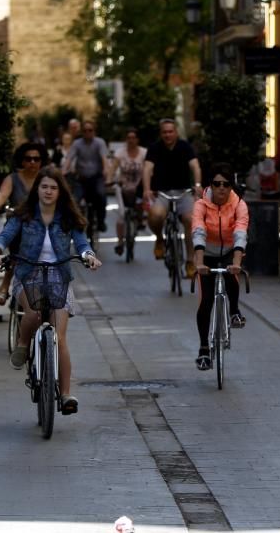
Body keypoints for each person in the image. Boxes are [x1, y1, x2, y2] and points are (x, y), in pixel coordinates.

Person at [0, 166, 101, 415]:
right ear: (36, 189)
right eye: (44, 186)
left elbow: (82, 243)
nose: (49, 191)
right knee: (33, 314)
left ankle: (65, 394)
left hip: (59, 278)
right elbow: (5, 236)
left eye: (53, 187)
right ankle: (22, 343)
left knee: (60, 337)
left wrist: (89, 256)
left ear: (60, 191)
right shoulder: (23, 215)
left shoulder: (68, 217)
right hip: (28, 275)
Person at [191, 163, 248, 370]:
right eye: (217, 184)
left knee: (232, 274)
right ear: (211, 186)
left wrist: (237, 263)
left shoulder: (239, 204)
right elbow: (198, 230)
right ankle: (204, 349)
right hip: (206, 253)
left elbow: (241, 231)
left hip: (229, 252)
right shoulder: (201, 205)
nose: (221, 188)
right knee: (205, 302)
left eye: (226, 184)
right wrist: (198, 262)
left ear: (231, 186)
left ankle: (234, 310)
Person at [0, 142, 49, 305]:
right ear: (21, 161)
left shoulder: (46, 179)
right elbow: (2, 194)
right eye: (28, 159)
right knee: (16, 244)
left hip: (42, 225)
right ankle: (6, 283)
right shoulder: (12, 178)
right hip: (18, 223)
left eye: (36, 159)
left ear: (42, 161)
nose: (32, 162)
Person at [142, 118, 202, 278]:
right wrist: (147, 189)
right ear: (161, 133)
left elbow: (195, 166)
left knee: (190, 220)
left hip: (183, 192)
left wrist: (197, 184)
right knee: (155, 215)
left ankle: (190, 261)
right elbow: (147, 168)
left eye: (170, 131)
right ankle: (160, 238)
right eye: (164, 132)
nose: (168, 135)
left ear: (176, 132)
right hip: (162, 192)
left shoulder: (185, 146)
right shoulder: (154, 148)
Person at [63, 120, 110, 233]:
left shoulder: (100, 142)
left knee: (101, 195)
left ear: (94, 131)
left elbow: (104, 159)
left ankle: (100, 221)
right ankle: (76, 222)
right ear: (82, 132)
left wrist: (106, 172)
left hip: (96, 177)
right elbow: (69, 159)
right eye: (85, 131)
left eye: (90, 130)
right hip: (81, 179)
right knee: (75, 199)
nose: (87, 133)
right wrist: (63, 172)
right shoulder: (77, 143)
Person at [110, 127, 147, 256]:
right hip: (123, 188)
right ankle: (120, 243)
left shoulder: (144, 153)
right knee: (121, 216)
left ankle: (140, 219)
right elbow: (113, 167)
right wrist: (109, 179)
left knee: (141, 201)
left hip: (138, 188)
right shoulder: (120, 152)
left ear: (137, 139)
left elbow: (149, 170)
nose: (131, 140)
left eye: (133, 138)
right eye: (128, 138)